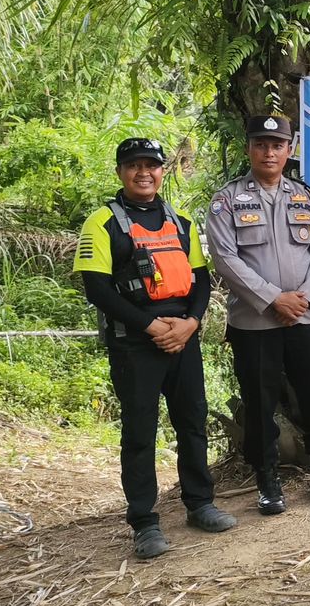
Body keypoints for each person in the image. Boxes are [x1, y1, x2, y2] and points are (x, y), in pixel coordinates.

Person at [73, 137, 236, 559]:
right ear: (120, 172)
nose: (143, 172)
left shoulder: (181, 221)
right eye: (133, 165)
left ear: (164, 171)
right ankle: (144, 522)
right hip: (135, 345)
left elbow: (200, 280)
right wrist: (150, 326)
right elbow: (97, 289)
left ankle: (200, 504)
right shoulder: (102, 224)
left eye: (152, 165)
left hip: (183, 337)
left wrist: (191, 323)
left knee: (193, 423)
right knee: (141, 433)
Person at [205, 115, 310, 514]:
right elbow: (224, 258)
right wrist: (272, 299)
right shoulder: (227, 200)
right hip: (254, 323)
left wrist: (305, 297)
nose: (270, 152)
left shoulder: (306, 197)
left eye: (277, 145)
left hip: (306, 317)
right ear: (250, 148)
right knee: (259, 401)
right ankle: (267, 479)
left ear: (289, 150)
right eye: (262, 144)